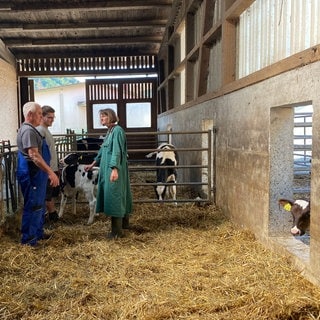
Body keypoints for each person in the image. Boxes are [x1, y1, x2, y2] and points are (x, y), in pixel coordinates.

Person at [84, 108, 132, 239]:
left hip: (113, 169)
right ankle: (124, 224)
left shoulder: (117, 131)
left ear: (110, 117)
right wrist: (93, 164)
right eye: (101, 117)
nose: (101, 119)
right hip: (108, 169)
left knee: (115, 195)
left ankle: (116, 232)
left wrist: (115, 168)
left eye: (104, 116)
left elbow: (117, 151)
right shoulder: (110, 131)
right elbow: (103, 151)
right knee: (118, 194)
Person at [16, 101, 59, 247]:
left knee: (39, 205)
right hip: (31, 173)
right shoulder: (28, 131)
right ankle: (28, 240)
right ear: (30, 114)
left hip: (37, 174)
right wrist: (50, 172)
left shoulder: (32, 130)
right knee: (33, 206)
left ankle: (37, 233)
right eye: (40, 114)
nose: (41, 117)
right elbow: (34, 155)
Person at [37, 105, 60, 223]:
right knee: (47, 194)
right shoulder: (40, 130)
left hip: (51, 168)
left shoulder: (46, 130)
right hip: (47, 169)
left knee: (49, 193)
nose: (52, 120)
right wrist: (49, 169)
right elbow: (39, 152)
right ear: (42, 116)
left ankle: (51, 215)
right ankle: (52, 216)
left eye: (53, 117)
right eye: (49, 117)